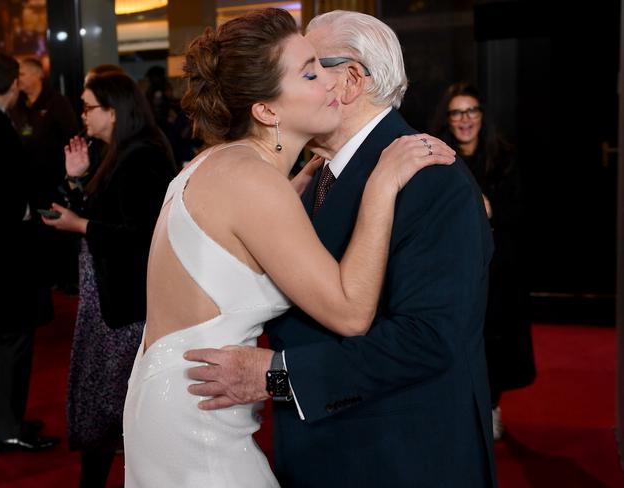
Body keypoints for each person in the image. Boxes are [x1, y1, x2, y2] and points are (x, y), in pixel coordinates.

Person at [122, 8, 455, 487]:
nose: (330, 84)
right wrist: (381, 185)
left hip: (179, 396)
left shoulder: (220, 163)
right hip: (199, 412)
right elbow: (350, 313)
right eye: (311, 72)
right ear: (267, 110)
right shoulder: (253, 181)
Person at [42, 72, 176, 487]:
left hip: (126, 305)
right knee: (106, 407)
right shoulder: (118, 151)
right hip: (108, 299)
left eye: (88, 106)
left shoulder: (143, 156)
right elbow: (105, 216)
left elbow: (142, 234)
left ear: (114, 112)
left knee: (117, 408)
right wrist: (76, 179)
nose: (82, 114)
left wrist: (80, 225)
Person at [431, 81, 536, 439]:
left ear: (481, 115)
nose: (465, 119)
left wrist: (488, 210)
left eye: (471, 111)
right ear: (448, 118)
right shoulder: (439, 157)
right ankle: (460, 405)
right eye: (457, 112)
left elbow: (519, 212)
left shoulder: (503, 156)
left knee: (494, 340)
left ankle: (490, 406)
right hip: (451, 267)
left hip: (498, 269)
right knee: (456, 339)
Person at [0, 52, 58, 453]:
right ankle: (8, 428)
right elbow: (1, 196)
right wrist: (31, 209)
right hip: (6, 256)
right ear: (12, 85)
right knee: (12, 344)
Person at [9, 57, 80, 294]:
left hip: (55, 183)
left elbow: (72, 138)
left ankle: (67, 281)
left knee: (60, 234)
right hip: (28, 185)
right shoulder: (17, 105)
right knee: (36, 235)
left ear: (38, 75)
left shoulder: (56, 103)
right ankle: (45, 279)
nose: (18, 79)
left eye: (23, 74)